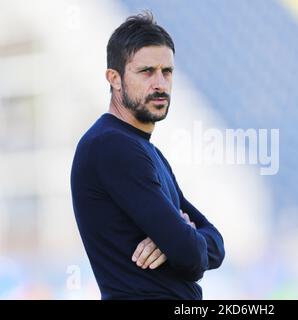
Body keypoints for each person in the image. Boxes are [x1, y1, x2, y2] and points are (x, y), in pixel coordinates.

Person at [70, 12, 225, 300]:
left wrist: (180, 237)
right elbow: (190, 255)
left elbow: (216, 244)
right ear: (114, 78)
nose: (160, 84)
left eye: (167, 72)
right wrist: (181, 238)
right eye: (146, 71)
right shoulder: (112, 146)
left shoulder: (147, 151)